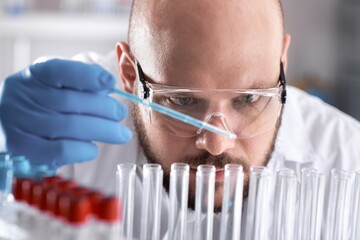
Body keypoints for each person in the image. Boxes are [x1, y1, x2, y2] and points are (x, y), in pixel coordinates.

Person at [0, 0, 359, 238]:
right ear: (128, 73)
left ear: (282, 63)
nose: (218, 142)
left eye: (248, 99)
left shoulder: (347, 161)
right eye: (184, 101)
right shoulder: (63, 114)